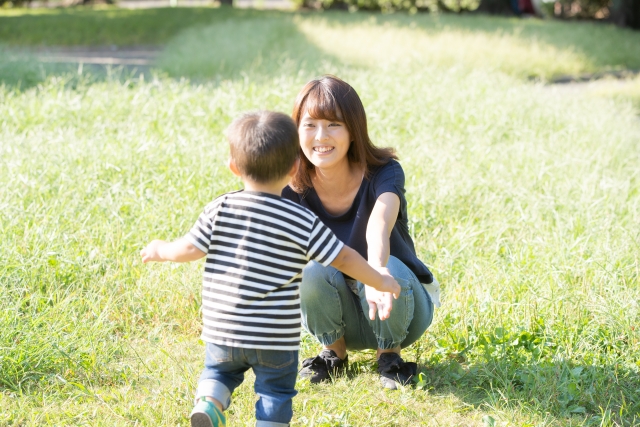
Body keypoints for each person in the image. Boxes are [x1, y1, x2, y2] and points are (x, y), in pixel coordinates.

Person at [140, 111, 401, 427]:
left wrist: (160, 250)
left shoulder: (219, 209)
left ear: (234, 167)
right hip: (275, 338)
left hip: (224, 330)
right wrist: (379, 279)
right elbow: (343, 258)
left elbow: (189, 249)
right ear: (294, 168)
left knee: (218, 371)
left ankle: (210, 403)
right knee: (275, 392)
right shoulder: (300, 220)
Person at [282, 75, 441, 390]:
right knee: (313, 270)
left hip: (402, 306)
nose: (320, 136)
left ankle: (390, 357)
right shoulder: (290, 185)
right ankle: (333, 354)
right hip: (340, 315)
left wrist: (377, 272)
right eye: (310, 124)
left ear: (354, 130)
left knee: (390, 265)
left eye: (334, 125)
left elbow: (379, 223)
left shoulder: (384, 171)